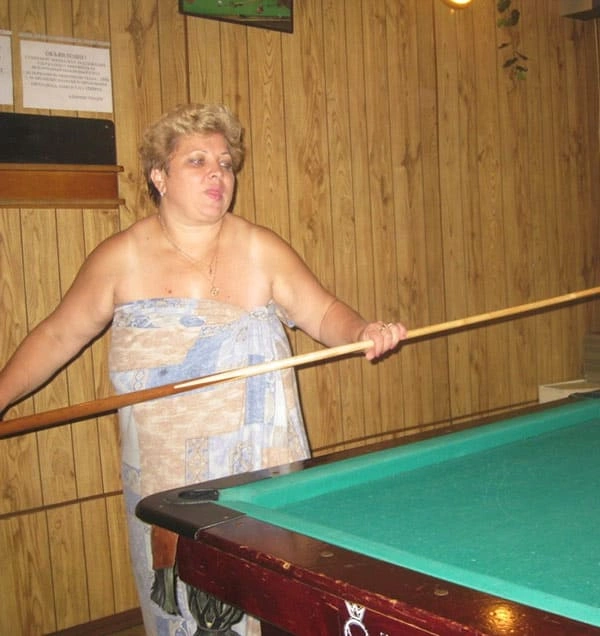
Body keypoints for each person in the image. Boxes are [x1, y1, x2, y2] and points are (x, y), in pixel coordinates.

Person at [0, 103, 407, 635]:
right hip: (169, 478)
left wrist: (361, 331)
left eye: (225, 163)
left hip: (262, 467)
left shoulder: (260, 247)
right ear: (159, 176)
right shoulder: (121, 259)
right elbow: (57, 335)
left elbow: (324, 312)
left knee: (274, 608)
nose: (218, 174)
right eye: (197, 161)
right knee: (184, 611)